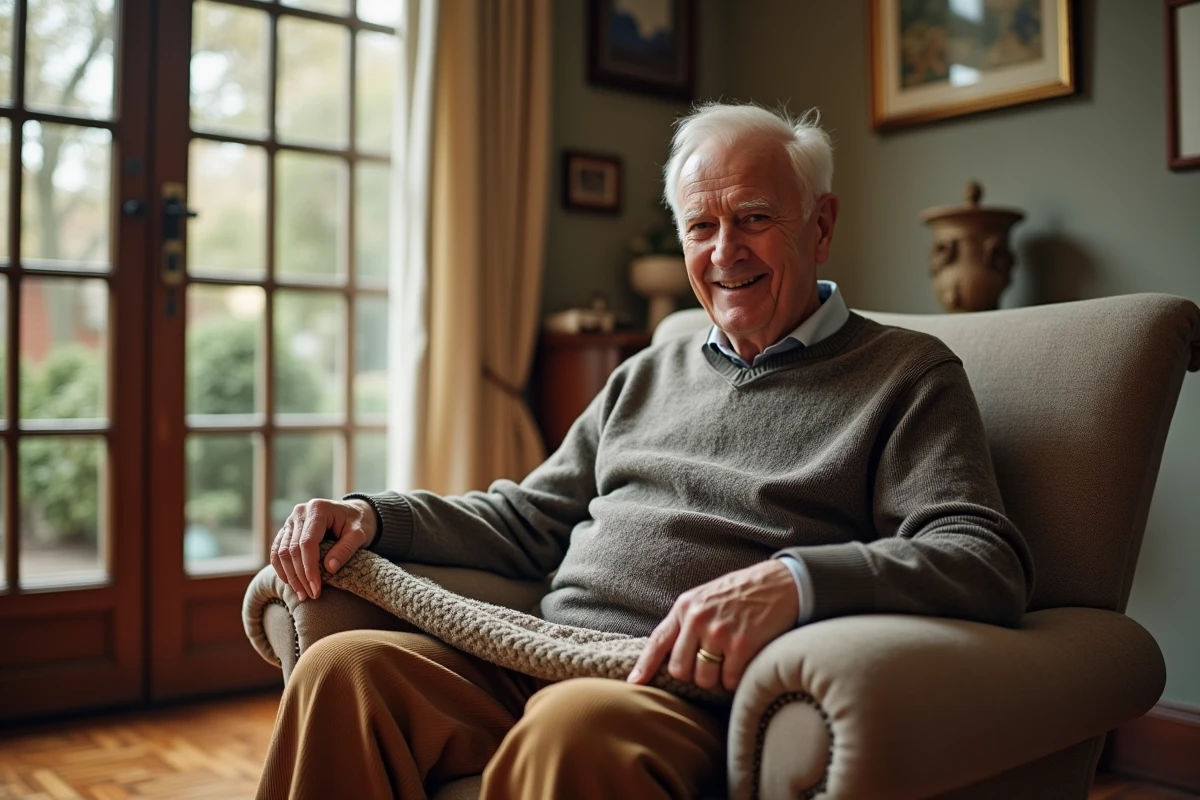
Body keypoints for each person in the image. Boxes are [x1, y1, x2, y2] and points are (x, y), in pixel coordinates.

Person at [256, 103, 1033, 800]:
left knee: (573, 723)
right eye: (701, 226)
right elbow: (529, 516)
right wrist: (371, 516)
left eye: (754, 218)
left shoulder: (907, 374)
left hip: (678, 691)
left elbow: (982, 557)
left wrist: (794, 584)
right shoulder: (648, 370)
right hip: (538, 653)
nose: (725, 251)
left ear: (821, 225)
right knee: (343, 669)